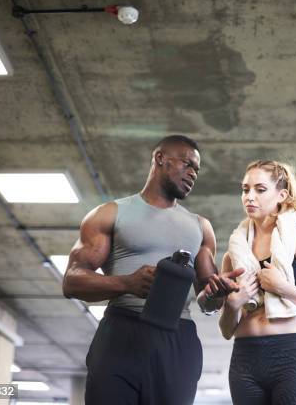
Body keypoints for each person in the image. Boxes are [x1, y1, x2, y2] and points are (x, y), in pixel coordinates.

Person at [62, 135, 243, 405]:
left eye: (196, 169)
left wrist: (219, 291)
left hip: (177, 338)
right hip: (121, 332)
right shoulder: (109, 213)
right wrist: (127, 284)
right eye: (187, 164)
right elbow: (72, 282)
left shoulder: (200, 227)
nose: (193, 173)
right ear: (160, 159)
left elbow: (207, 300)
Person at [215, 160, 296, 405]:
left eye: (260, 190)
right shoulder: (233, 253)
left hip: (292, 355)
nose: (249, 196)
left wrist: (283, 287)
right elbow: (227, 330)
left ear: (281, 195)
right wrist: (232, 304)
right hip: (245, 359)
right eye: (245, 189)